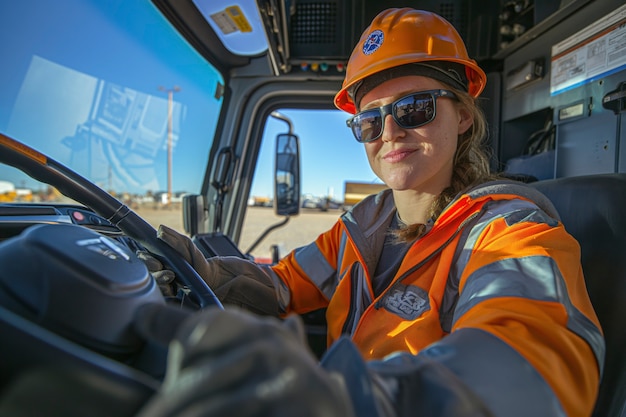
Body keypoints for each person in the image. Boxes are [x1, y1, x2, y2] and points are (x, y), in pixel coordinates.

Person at [138, 8, 604, 417]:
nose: (390, 132)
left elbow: (529, 358)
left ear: (462, 115)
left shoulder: (508, 230)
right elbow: (283, 285)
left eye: (414, 108)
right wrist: (206, 272)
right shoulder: (361, 226)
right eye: (369, 120)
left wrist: (360, 398)